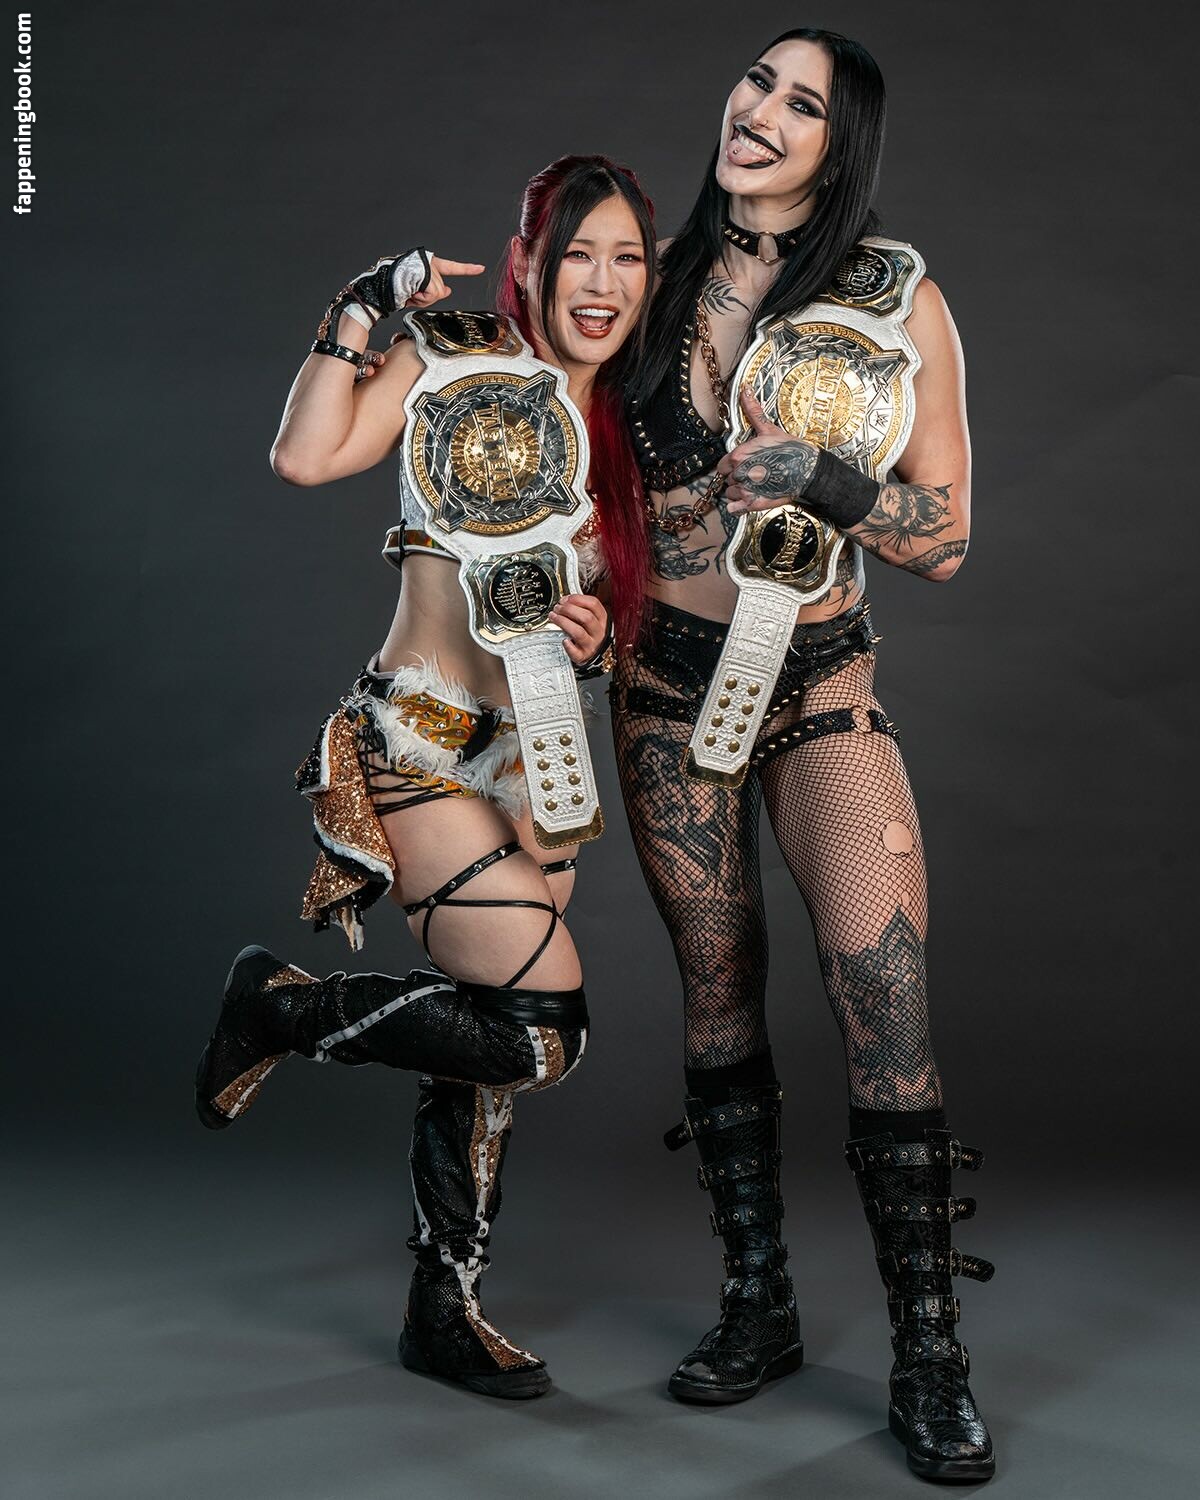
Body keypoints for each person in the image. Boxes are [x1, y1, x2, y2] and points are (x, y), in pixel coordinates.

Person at [194, 154, 655, 1400]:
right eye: (578, 253)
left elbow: (612, 619)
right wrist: (360, 310)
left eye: (626, 257)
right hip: (419, 743)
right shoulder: (454, 356)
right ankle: (279, 1007)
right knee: (539, 1031)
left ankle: (442, 1310)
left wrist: (595, 639)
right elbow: (306, 456)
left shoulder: (629, 432)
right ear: (529, 263)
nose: (601, 282)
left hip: (536, 765)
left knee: (482, 1048)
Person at [613, 29, 995, 1481]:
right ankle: (758, 1304)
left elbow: (945, 538)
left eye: (803, 103)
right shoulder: (643, 281)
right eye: (756, 81)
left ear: (843, 146)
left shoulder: (897, 301)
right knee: (719, 995)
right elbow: (557, 481)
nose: (761, 110)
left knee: (883, 995)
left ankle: (931, 1356)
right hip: (666, 693)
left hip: (822, 684)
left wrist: (826, 478)